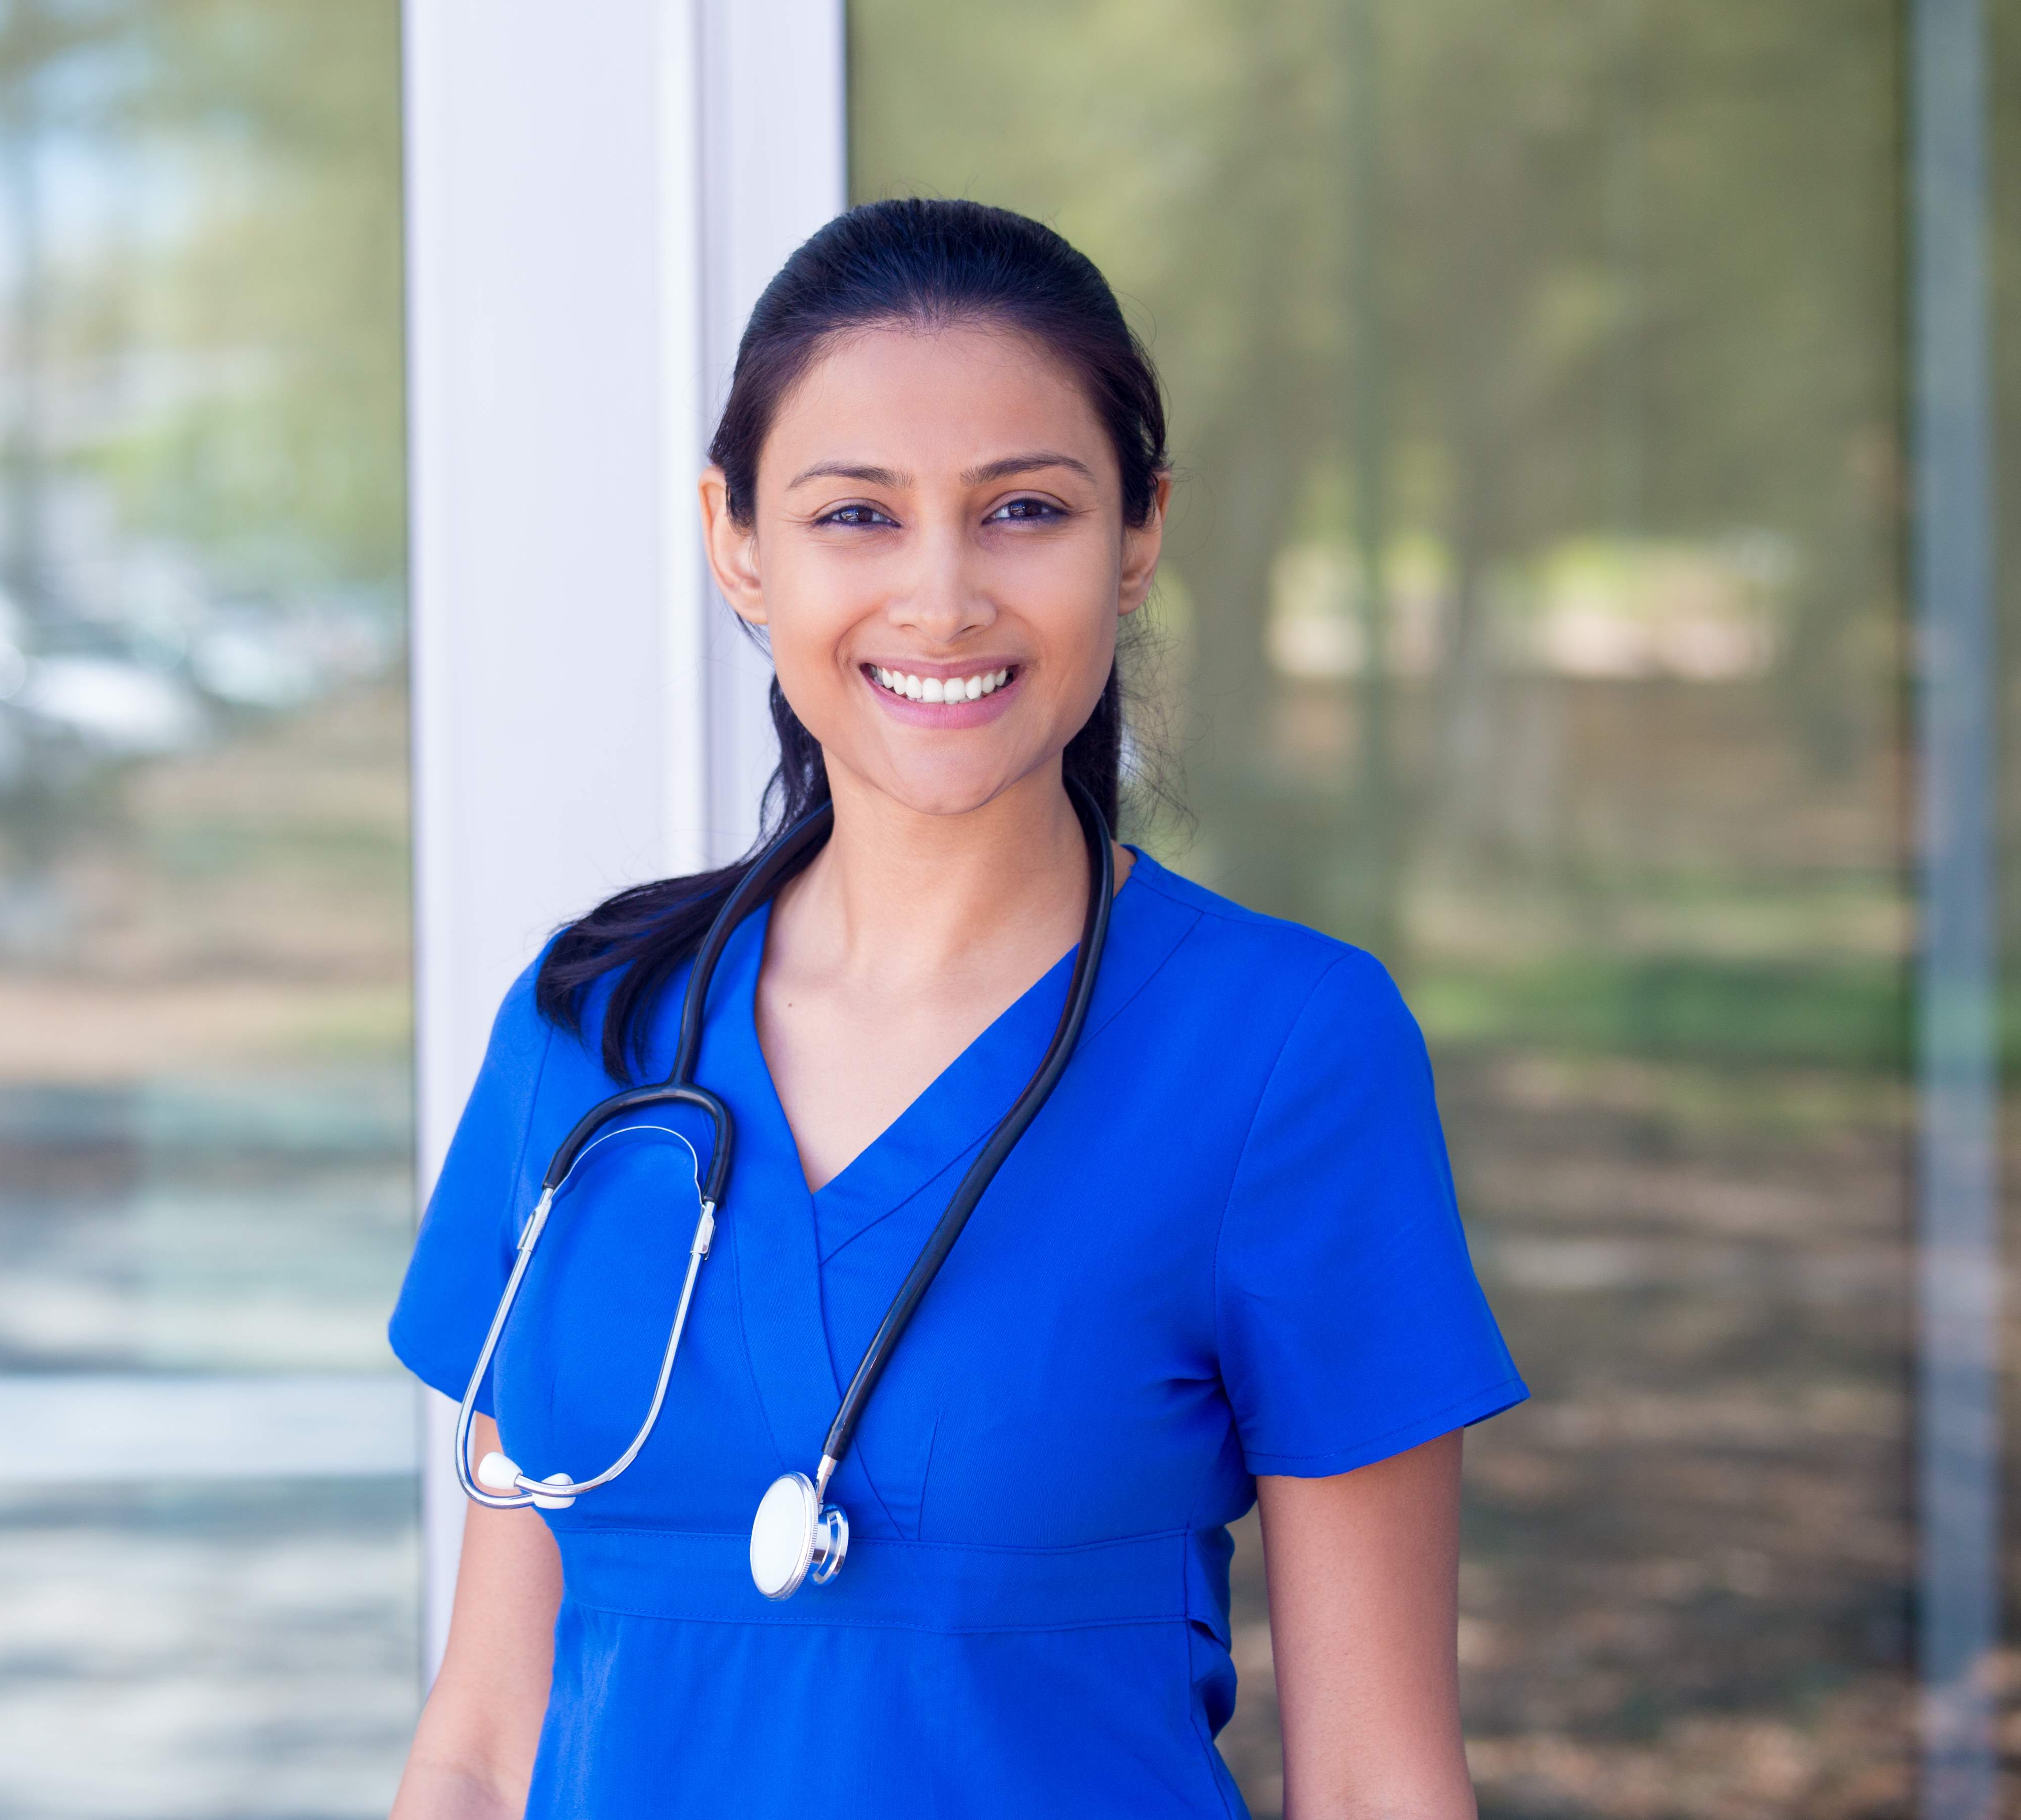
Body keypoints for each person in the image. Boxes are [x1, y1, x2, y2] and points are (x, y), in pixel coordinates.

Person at [385, 198, 1525, 1820]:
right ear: (737, 541)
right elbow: (485, 1739)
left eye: (1024, 510)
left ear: (1137, 537)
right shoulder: (593, 1031)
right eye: (856, 513)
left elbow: (1372, 1780)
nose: (940, 597)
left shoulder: (1283, 1053)